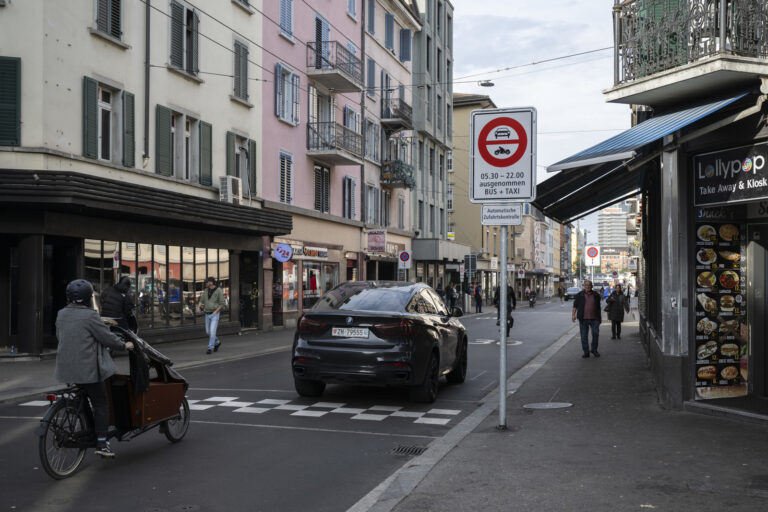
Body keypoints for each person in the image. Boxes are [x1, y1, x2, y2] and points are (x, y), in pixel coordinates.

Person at [54, 279, 134, 458]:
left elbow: (60, 335)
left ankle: (88, 427)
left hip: (66, 367)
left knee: (86, 395)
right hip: (87, 369)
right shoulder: (90, 316)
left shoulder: (61, 314)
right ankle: (102, 443)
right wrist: (124, 345)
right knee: (101, 403)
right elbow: (107, 338)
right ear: (88, 297)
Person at [572, 280, 602, 358]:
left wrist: (599, 318)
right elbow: (575, 306)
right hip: (583, 319)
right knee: (584, 336)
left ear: (591, 286)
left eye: (589, 285)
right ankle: (586, 352)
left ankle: (594, 350)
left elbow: (598, 308)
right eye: (586, 285)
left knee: (595, 334)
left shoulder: (596, 295)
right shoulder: (579, 295)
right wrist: (573, 315)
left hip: (595, 318)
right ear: (584, 286)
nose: (587, 287)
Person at [197, 277, 227, 354]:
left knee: (212, 332)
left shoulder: (219, 290)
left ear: (211, 282)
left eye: (206, 282)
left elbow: (222, 303)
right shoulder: (206, 290)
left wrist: (216, 311)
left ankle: (210, 348)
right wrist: (198, 307)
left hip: (215, 314)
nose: (206, 283)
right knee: (208, 332)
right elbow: (202, 300)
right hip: (207, 314)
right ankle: (217, 342)